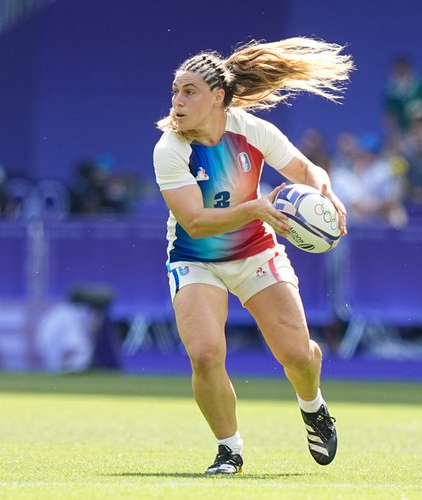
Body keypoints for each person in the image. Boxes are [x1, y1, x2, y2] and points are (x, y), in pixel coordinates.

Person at [153, 37, 352, 475]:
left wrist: (326, 190)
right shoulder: (170, 149)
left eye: (189, 92)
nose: (177, 101)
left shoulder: (251, 130)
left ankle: (313, 406)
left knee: (298, 356)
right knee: (205, 354)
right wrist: (257, 207)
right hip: (195, 258)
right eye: (175, 91)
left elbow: (304, 170)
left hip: (256, 250)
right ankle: (229, 450)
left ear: (218, 98)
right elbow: (196, 223)